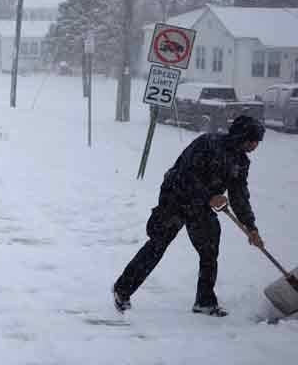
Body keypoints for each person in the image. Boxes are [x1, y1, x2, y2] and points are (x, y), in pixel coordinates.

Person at [112, 115, 265, 316]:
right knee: (158, 245)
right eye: (252, 140)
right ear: (241, 136)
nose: (255, 145)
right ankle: (122, 290)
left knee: (209, 250)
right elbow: (184, 175)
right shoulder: (208, 143)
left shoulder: (240, 162)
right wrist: (210, 196)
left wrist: (251, 227)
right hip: (175, 197)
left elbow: (239, 196)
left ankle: (204, 301)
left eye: (257, 142)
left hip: (201, 206)